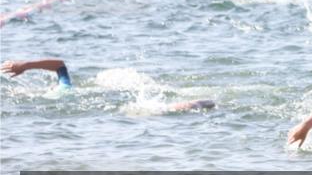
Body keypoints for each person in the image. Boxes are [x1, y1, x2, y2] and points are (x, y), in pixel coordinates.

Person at [2, 59, 215, 111]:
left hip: (96, 107)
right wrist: (26, 66)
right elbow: (60, 66)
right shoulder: (63, 89)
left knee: (147, 110)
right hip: (101, 102)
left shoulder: (57, 94)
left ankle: (194, 104)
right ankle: (196, 103)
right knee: (149, 109)